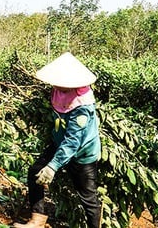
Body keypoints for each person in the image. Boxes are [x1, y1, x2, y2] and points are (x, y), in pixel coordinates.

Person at [14, 52, 102, 228]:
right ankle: (37, 219)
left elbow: (73, 142)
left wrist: (53, 167)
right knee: (35, 171)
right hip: (59, 144)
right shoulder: (58, 91)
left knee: (88, 197)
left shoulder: (82, 106)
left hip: (82, 153)